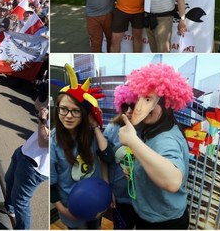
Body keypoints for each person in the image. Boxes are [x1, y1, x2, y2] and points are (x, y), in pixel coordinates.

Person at [119, 63, 193, 228]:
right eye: (139, 98)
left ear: (165, 103)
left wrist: (132, 140)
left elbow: (172, 181)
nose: (140, 105)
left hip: (162, 223)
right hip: (153, 215)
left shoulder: (165, 138)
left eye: (148, 99)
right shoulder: (154, 128)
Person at [50, 64, 113, 229]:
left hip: (96, 202)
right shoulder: (53, 141)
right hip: (70, 209)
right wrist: (62, 210)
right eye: (63, 109)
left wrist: (95, 127)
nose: (68, 116)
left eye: (76, 111)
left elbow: (108, 156)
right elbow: (51, 184)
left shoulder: (91, 135)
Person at [0, 79, 49, 229]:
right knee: (9, 179)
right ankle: (8, 207)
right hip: (24, 151)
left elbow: (44, 142)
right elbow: (38, 107)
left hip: (35, 168)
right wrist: (42, 100)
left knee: (21, 201)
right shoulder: (58, 112)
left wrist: (42, 117)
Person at [103, 85, 139, 229]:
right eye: (125, 106)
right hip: (119, 196)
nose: (129, 110)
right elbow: (104, 161)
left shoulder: (146, 129)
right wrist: (108, 190)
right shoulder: (112, 128)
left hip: (143, 198)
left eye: (133, 106)